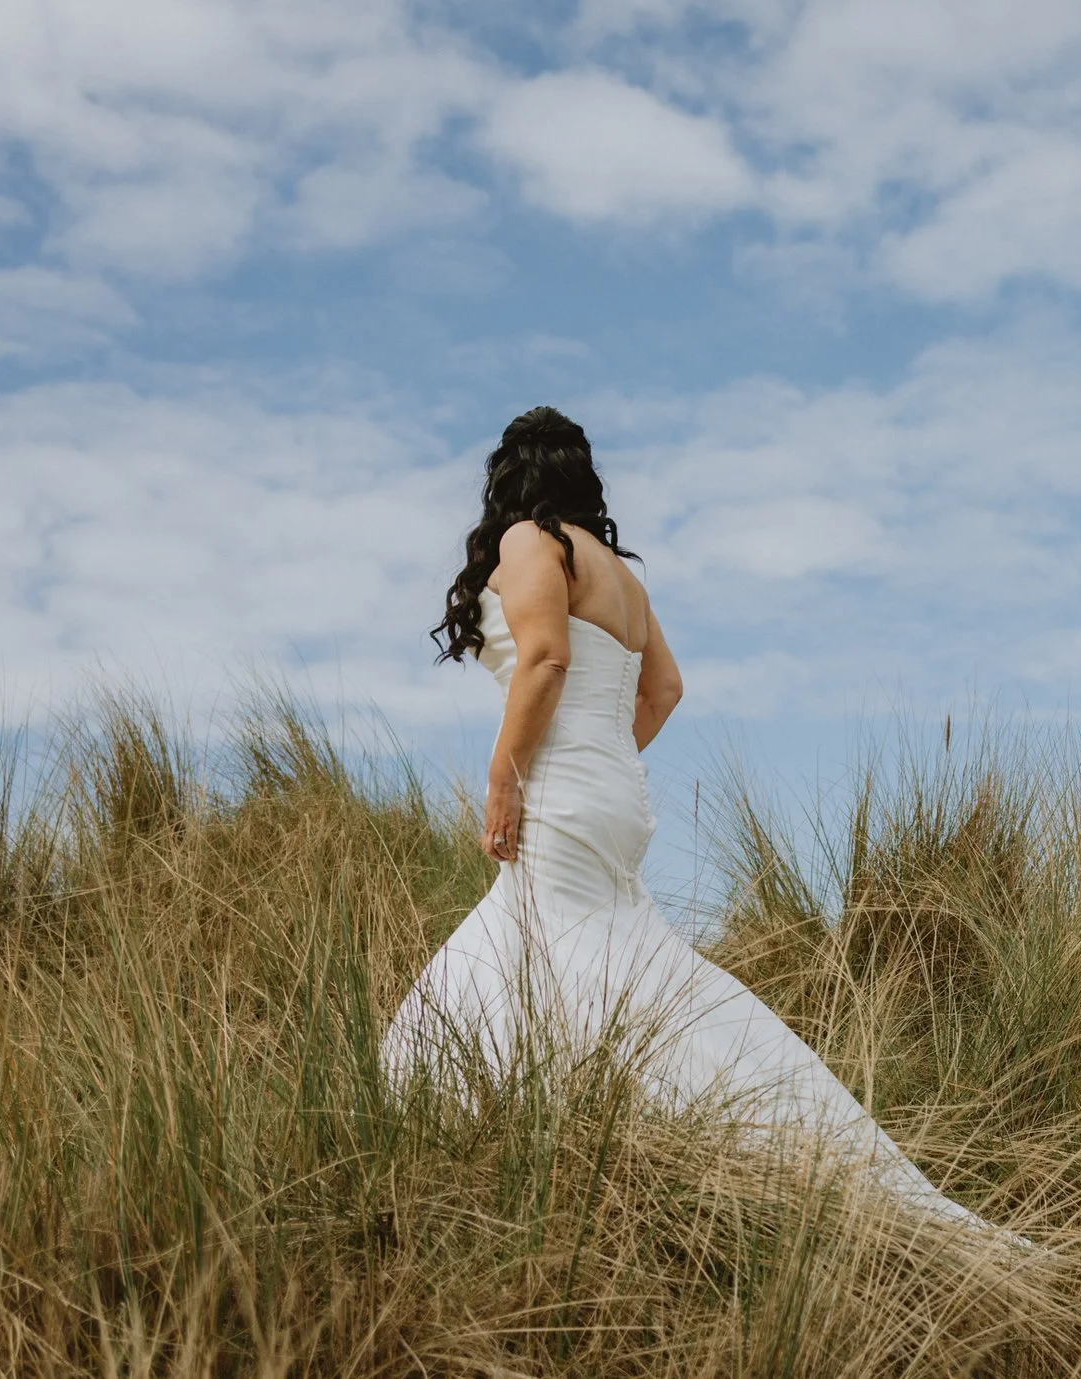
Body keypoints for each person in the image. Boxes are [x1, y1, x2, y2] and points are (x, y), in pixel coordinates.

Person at [383, 406, 1005, 1236]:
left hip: (562, 789)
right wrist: (604, 756)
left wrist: (505, 776)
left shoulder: (534, 543)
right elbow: (663, 690)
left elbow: (544, 658)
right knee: (591, 957)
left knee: (544, 965)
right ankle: (634, 1118)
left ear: (510, 475)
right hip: (611, 792)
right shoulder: (621, 576)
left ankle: (613, 1132)